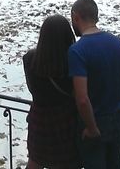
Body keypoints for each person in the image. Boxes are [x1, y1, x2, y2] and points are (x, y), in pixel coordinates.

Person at [68, 0, 120, 169]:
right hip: (118, 119)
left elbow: (82, 98)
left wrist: (91, 128)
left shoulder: (77, 51)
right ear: (96, 17)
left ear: (75, 17)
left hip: (95, 121)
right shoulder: (117, 43)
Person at [23, 14, 80, 169]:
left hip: (39, 120)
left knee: (35, 160)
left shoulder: (29, 59)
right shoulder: (72, 63)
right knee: (66, 163)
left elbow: (31, 88)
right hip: (65, 123)